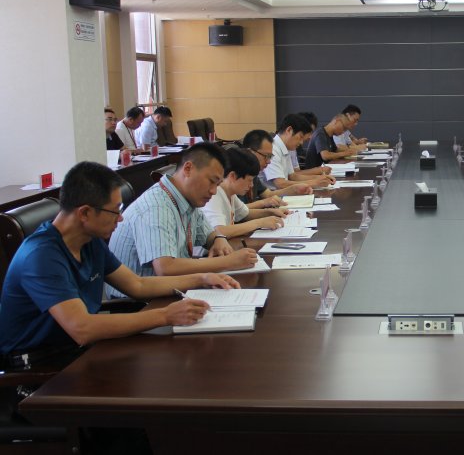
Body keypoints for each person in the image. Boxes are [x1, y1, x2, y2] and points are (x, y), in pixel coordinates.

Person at [0, 161, 239, 364]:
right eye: (115, 211)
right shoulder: (41, 256)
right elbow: (82, 328)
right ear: (84, 213)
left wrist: (202, 278)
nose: (121, 218)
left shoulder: (89, 240)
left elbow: (137, 285)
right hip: (40, 360)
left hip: (77, 348)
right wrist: (165, 316)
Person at [108, 143, 259, 293]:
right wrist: (227, 262)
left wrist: (219, 239)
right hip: (138, 302)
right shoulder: (157, 206)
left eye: (218, 184)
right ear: (188, 169)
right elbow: (165, 268)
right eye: (212, 181)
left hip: (172, 290)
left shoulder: (187, 199)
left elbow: (210, 234)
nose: (214, 191)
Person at [201, 148, 288, 237]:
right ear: (233, 176)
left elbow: (245, 213)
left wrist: (271, 212)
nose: (251, 185)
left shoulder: (230, 193)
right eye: (249, 180)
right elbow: (219, 231)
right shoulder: (214, 195)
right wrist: (258, 223)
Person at [240, 129, 312, 205]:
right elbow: (238, 210)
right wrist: (264, 204)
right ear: (250, 152)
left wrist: (294, 189)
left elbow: (268, 194)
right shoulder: (238, 173)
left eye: (270, 157)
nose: (269, 161)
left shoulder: (254, 175)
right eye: (266, 156)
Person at [265, 114, 336, 190]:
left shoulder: (285, 148)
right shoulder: (273, 148)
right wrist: (314, 183)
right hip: (274, 194)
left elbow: (293, 176)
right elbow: (280, 183)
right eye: (300, 137)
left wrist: (320, 178)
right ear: (289, 130)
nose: (301, 142)